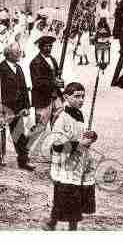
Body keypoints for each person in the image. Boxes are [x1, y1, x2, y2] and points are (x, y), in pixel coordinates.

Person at [42, 82, 97, 231]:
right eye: (77, 96)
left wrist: (91, 136)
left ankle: (56, 224)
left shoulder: (79, 114)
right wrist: (79, 143)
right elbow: (57, 145)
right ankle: (62, 225)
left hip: (78, 162)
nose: (81, 100)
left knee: (74, 197)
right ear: (66, 97)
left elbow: (81, 133)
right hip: (65, 164)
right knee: (66, 196)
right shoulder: (62, 118)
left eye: (83, 97)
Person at [0, 43, 34, 170]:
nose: (19, 53)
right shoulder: (0, 68)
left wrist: (26, 106)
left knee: (19, 133)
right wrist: (0, 106)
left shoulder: (18, 68)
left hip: (17, 107)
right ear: (9, 54)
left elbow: (24, 89)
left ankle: (23, 160)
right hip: (2, 105)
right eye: (17, 52)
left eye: (19, 51)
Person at [30, 35, 64, 128]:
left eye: (50, 46)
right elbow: (37, 82)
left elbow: (56, 75)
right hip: (42, 99)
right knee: (41, 126)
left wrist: (59, 80)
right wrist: (54, 82)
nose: (49, 48)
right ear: (40, 47)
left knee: (59, 122)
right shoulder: (35, 62)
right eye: (46, 46)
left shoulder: (52, 59)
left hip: (55, 96)